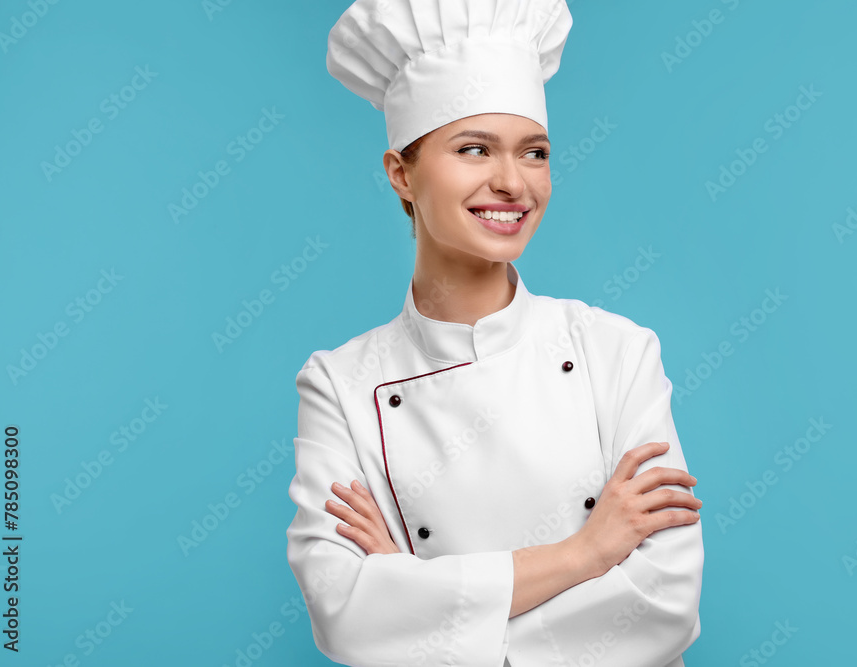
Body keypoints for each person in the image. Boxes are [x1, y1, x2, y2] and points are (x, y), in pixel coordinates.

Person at [285, 1, 704, 665]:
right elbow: (346, 615)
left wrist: (420, 603)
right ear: (401, 173)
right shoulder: (339, 384)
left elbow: (664, 600)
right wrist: (584, 553)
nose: (512, 182)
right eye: (473, 148)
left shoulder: (618, 352)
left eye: (533, 152)